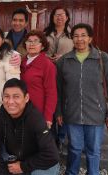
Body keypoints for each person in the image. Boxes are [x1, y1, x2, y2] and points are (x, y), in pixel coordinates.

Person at [56, 23, 108, 175]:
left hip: (95, 115)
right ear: (72, 38)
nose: (80, 39)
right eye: (76, 36)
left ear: (90, 38)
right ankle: (71, 172)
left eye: (83, 35)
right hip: (71, 115)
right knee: (74, 148)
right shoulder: (64, 61)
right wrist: (59, 111)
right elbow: (58, 90)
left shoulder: (102, 58)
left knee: (93, 151)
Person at [0, 78, 59, 175]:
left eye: (16, 96)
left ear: (26, 98)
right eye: (6, 96)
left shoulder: (35, 119)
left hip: (39, 162)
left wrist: (23, 166)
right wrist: (3, 173)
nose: (11, 101)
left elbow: (52, 155)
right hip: (13, 160)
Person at [43, 7, 73, 152]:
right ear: (52, 17)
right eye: (56, 15)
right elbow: (39, 48)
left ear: (67, 17)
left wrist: (64, 57)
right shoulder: (46, 33)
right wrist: (46, 57)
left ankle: (61, 137)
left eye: (62, 15)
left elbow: (78, 50)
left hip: (66, 73)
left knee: (62, 104)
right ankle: (50, 137)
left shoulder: (73, 34)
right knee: (49, 102)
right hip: (48, 72)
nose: (59, 17)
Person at [20, 30, 57, 129]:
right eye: (29, 41)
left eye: (36, 41)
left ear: (43, 46)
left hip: (37, 112)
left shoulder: (47, 65)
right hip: (20, 110)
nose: (32, 44)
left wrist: (48, 117)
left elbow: (51, 93)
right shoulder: (21, 61)